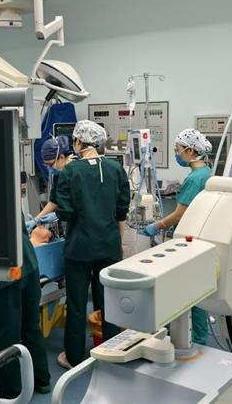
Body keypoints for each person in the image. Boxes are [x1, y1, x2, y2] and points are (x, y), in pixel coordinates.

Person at [54, 120, 131, 369]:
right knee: (108, 302)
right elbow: (121, 210)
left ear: (78, 142)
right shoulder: (115, 169)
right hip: (109, 246)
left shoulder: (70, 171)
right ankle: (110, 353)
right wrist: (119, 243)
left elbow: (64, 212)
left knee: (77, 305)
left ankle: (74, 358)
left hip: (79, 248)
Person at [142, 128, 213, 345]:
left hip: (188, 240)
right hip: (200, 237)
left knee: (184, 290)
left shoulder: (195, 178)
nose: (176, 153)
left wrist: (157, 226)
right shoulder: (206, 172)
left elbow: (180, 213)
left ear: (190, 150)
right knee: (197, 290)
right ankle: (199, 338)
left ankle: (184, 338)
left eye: (178, 149)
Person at [0, 218, 51, 397]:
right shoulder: (9, 198)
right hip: (28, 264)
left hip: (5, 274)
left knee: (7, 335)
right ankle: (42, 379)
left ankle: (12, 390)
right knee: (31, 326)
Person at [34, 135, 75, 220]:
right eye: (46, 165)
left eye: (50, 164)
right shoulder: (59, 173)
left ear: (61, 157)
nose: (49, 168)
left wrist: (57, 215)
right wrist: (36, 220)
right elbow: (54, 202)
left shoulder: (78, 171)